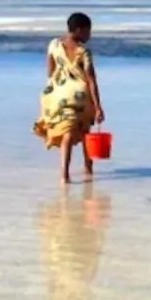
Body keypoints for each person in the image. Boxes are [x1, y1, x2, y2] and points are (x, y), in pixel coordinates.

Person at [34, 12, 105, 184]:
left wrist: (56, 88)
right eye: (88, 31)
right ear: (80, 30)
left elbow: (50, 72)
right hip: (79, 96)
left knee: (67, 133)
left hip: (59, 95)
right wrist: (98, 107)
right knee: (86, 132)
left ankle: (64, 175)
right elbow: (91, 81)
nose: (90, 35)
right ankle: (89, 169)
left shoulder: (54, 45)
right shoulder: (83, 52)